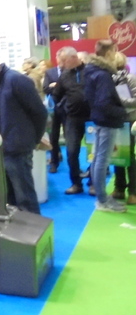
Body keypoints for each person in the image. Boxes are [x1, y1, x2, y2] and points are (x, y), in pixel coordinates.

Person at [0, 49, 47, 214]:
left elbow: (40, 112)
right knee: (10, 199)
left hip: (17, 149)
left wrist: (32, 140)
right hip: (0, 150)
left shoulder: (16, 80)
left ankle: (33, 235)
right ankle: (16, 235)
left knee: (25, 197)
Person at [83, 39, 128, 213]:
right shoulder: (102, 74)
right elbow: (104, 103)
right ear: (109, 53)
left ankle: (101, 197)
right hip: (107, 120)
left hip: (100, 119)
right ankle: (102, 199)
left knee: (98, 159)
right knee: (102, 160)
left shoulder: (91, 71)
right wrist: (122, 112)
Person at [51, 47, 90, 195]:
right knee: (72, 152)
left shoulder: (91, 71)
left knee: (95, 152)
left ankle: (93, 183)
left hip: (93, 118)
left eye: (63, 61)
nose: (61, 64)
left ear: (73, 58)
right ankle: (76, 184)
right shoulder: (64, 75)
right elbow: (56, 95)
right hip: (72, 119)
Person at [112, 52, 136, 205]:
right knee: (120, 156)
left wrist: (118, 100)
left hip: (128, 120)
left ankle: (130, 191)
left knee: (125, 156)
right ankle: (123, 189)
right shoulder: (108, 80)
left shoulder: (131, 78)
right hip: (118, 121)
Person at [43, 48, 69, 173]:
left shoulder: (71, 71)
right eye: (60, 58)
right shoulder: (50, 72)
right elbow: (45, 88)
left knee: (70, 138)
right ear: (57, 59)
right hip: (53, 109)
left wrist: (56, 86)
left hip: (68, 108)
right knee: (53, 137)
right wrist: (53, 87)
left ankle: (72, 165)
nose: (62, 61)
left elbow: (71, 89)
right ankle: (54, 162)